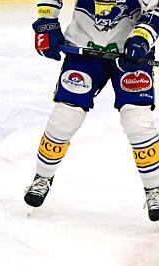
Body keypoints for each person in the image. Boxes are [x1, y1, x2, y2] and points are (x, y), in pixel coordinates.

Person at [27, 0, 159, 221]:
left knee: (137, 119)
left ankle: (154, 188)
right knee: (66, 116)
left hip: (131, 54)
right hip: (83, 49)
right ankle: (42, 177)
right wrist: (46, 20)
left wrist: (143, 37)